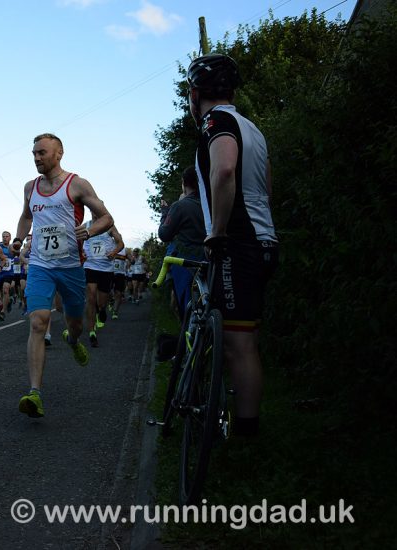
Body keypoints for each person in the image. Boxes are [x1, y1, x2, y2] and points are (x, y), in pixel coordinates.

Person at [187, 53, 279, 436]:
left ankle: (245, 436)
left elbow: (224, 170)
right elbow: (267, 185)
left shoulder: (216, 122)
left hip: (237, 243)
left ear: (194, 94)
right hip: (263, 238)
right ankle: (245, 429)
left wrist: (217, 232)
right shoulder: (251, 127)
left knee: (238, 346)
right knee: (246, 340)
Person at [13, 133, 113, 418]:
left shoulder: (77, 184)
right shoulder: (30, 187)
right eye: (34, 153)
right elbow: (25, 216)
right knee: (38, 321)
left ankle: (73, 340)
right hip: (41, 266)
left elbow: (107, 217)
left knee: (75, 323)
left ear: (59, 154)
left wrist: (91, 230)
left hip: (71, 268)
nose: (36, 158)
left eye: (42, 152)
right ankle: (35, 393)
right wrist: (19, 240)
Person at [158, 166, 205, 319]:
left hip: (186, 263)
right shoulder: (210, 205)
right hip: (209, 259)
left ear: (184, 183)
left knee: (186, 307)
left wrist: (165, 212)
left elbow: (164, 234)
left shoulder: (179, 206)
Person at [82, 221, 125, 347]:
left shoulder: (109, 226)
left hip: (106, 268)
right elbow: (76, 240)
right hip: (90, 266)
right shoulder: (86, 226)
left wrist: (114, 252)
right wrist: (81, 252)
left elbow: (120, 243)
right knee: (91, 297)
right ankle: (91, 332)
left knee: (101, 302)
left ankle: (102, 309)